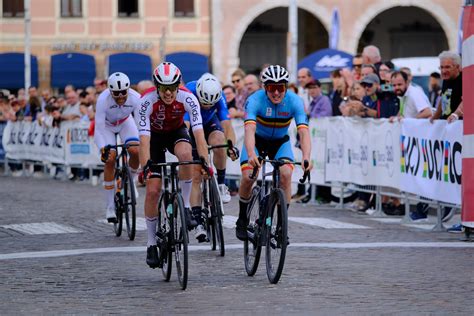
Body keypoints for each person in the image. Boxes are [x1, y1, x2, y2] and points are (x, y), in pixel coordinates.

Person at [136, 62, 209, 268]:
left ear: (178, 85)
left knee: (187, 154)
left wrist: (205, 160)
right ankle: (151, 243)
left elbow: (198, 134)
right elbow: (143, 140)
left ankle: (185, 205)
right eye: (163, 88)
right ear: (156, 86)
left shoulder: (188, 98)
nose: (168, 93)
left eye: (172, 88)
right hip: (154, 138)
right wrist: (145, 167)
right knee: (153, 190)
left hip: (176, 133)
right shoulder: (146, 101)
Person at [235, 65, 312, 241]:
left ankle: (280, 227)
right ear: (265, 87)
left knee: (286, 174)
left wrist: (307, 156)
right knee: (248, 176)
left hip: (279, 142)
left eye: (280, 88)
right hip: (257, 141)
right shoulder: (255, 100)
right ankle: (242, 219)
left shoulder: (295, 101)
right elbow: (249, 131)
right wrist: (251, 154)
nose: (276, 93)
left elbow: (304, 132)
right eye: (271, 88)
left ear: (286, 87)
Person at [184, 73, 239, 242]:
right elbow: (185, 127)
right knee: (196, 174)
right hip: (192, 127)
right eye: (204, 103)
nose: (207, 106)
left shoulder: (220, 96)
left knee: (220, 141)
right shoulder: (189, 93)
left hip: (209, 123)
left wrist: (231, 147)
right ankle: (197, 221)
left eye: (210, 104)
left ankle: (221, 184)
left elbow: (227, 126)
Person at [94, 72, 141, 223]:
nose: (120, 96)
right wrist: (103, 148)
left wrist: (144, 142)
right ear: (110, 91)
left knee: (135, 151)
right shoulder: (103, 99)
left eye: (123, 93)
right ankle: (110, 207)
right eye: (116, 94)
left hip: (126, 123)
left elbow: (141, 124)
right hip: (107, 127)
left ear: (128, 89)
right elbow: (99, 128)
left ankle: (131, 180)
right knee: (110, 159)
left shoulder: (136, 98)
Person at [430, 51, 462, 121]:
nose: (443, 71)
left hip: (459, 125)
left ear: (457, 67)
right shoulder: (446, 78)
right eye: (441, 67)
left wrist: (455, 115)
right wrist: (434, 118)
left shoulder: (464, 79)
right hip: (446, 123)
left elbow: (468, 100)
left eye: (447, 67)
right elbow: (444, 99)